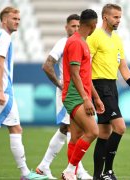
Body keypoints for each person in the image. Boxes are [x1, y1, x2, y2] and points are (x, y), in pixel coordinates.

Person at [0, 7, 47, 180]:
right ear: (4, 20)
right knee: (16, 128)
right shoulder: (4, 38)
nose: (17, 22)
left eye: (19, 19)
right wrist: (0, 91)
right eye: (13, 18)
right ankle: (24, 174)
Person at [86, 4, 130, 180]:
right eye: (115, 17)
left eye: (120, 17)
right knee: (120, 127)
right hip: (99, 86)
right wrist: (91, 93)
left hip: (111, 86)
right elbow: (86, 66)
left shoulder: (117, 39)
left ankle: (97, 176)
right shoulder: (94, 37)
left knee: (104, 133)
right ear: (105, 17)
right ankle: (108, 171)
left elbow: (124, 67)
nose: (118, 20)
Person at [36, 14, 92, 180]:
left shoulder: (80, 43)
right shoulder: (64, 43)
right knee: (71, 131)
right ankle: (77, 171)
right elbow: (47, 65)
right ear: (66, 27)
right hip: (69, 94)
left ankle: (44, 166)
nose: (75, 29)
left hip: (77, 93)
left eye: (77, 26)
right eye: (72, 26)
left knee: (66, 130)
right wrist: (61, 85)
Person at [61, 9, 105, 180]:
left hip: (81, 95)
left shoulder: (82, 42)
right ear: (93, 25)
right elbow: (74, 74)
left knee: (76, 137)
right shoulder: (76, 43)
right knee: (93, 131)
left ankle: (70, 172)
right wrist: (86, 99)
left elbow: (86, 76)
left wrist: (96, 97)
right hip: (75, 96)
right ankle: (70, 170)